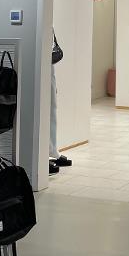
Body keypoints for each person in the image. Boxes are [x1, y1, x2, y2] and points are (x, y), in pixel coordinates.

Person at [50, 30, 72, 175]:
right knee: (44, 115)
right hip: (41, 72)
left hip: (49, 72)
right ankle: (42, 156)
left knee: (52, 112)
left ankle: (53, 151)